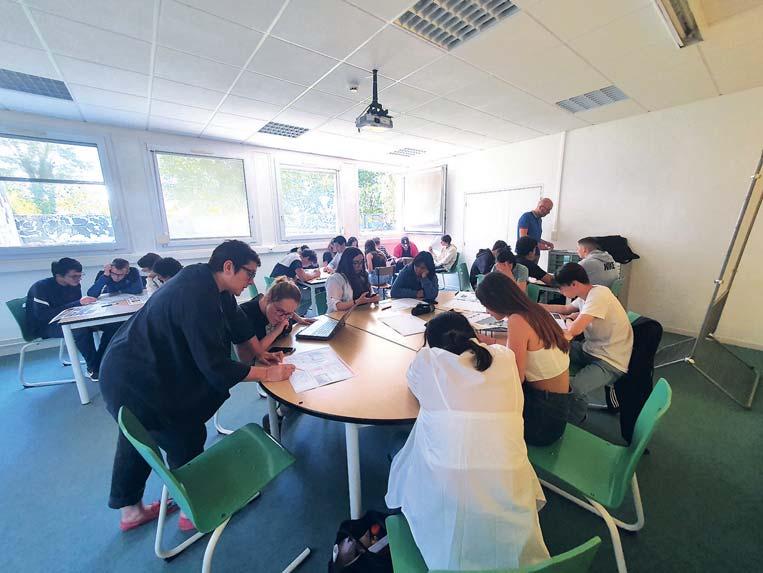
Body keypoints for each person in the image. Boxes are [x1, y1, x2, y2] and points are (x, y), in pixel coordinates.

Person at [100, 240, 295, 533]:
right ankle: (193, 510)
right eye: (249, 273)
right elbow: (215, 367)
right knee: (183, 432)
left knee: (137, 434)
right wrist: (268, 374)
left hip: (131, 366)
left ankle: (131, 511)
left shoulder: (213, 284)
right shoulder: (196, 295)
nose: (252, 281)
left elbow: (237, 323)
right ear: (228, 266)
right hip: (134, 375)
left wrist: (259, 353)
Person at [386, 312, 549, 570]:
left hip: (449, 487)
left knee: (400, 446)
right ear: (472, 334)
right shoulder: (506, 358)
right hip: (508, 483)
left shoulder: (428, 362)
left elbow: (414, 385)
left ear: (431, 343)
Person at [475, 272, 586, 445]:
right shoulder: (534, 310)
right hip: (559, 409)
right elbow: (531, 347)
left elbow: (516, 378)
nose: (486, 311)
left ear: (496, 301)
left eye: (486, 305)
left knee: (482, 405)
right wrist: (492, 342)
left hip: (543, 420)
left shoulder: (517, 320)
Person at [542, 263, 633, 401]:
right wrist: (538, 307)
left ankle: (572, 410)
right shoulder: (588, 293)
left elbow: (574, 330)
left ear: (574, 284)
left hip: (609, 360)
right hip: (589, 349)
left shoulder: (598, 295)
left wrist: (569, 319)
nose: (560, 291)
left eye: (561, 287)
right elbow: (566, 309)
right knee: (551, 347)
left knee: (571, 388)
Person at [25, 257, 118, 379]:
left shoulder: (74, 284)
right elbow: (43, 315)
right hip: (45, 326)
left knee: (113, 324)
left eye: (80, 275)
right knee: (80, 329)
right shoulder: (40, 288)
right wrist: (78, 303)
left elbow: (75, 307)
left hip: (70, 319)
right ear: (59, 276)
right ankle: (94, 368)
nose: (78, 279)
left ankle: (101, 360)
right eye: (74, 276)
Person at [238, 277, 315, 356]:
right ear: (268, 299)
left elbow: (286, 310)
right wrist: (277, 330)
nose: (282, 318)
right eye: (280, 311)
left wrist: (298, 318)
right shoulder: (244, 314)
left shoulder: (283, 314)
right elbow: (249, 355)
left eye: (289, 313)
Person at [325, 247, 380, 312]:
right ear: (347, 263)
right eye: (355, 263)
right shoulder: (335, 279)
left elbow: (370, 294)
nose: (360, 266)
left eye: (361, 262)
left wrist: (374, 298)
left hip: (361, 313)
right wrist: (357, 302)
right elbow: (335, 306)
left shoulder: (363, 275)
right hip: (340, 316)